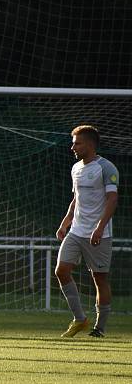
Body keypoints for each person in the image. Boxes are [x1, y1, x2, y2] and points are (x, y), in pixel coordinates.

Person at [55, 125, 119, 338]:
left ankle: (99, 328)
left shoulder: (106, 168)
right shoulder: (75, 168)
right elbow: (76, 199)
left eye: (77, 143)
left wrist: (100, 227)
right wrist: (66, 222)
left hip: (99, 233)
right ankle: (80, 319)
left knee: (99, 278)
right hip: (76, 230)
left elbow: (112, 199)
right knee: (61, 270)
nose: (73, 147)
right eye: (73, 143)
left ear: (90, 144)